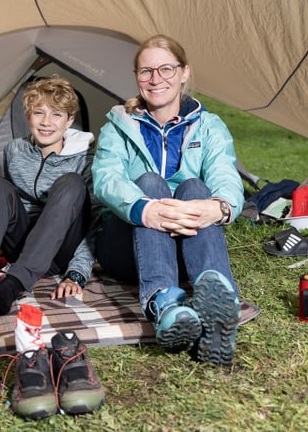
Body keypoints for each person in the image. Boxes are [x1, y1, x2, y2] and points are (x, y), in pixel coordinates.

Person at [92, 34, 244, 366]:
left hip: (184, 244)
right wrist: (146, 208)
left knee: (194, 187)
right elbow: (106, 180)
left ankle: (218, 302)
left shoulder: (209, 127)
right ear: (136, 77)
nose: (155, 79)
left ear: (184, 72)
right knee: (149, 182)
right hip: (126, 246)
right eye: (146, 71)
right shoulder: (118, 125)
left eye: (166, 69)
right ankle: (163, 302)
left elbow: (225, 175)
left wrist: (217, 207)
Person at [0, 75, 96, 337]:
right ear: (28, 116)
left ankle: (11, 288)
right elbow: (11, 207)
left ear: (69, 121)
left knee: (72, 183)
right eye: (39, 113)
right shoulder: (14, 150)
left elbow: (94, 221)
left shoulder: (86, 160)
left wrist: (77, 273)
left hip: (58, 252)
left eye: (57, 114)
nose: (46, 122)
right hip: (22, 249)